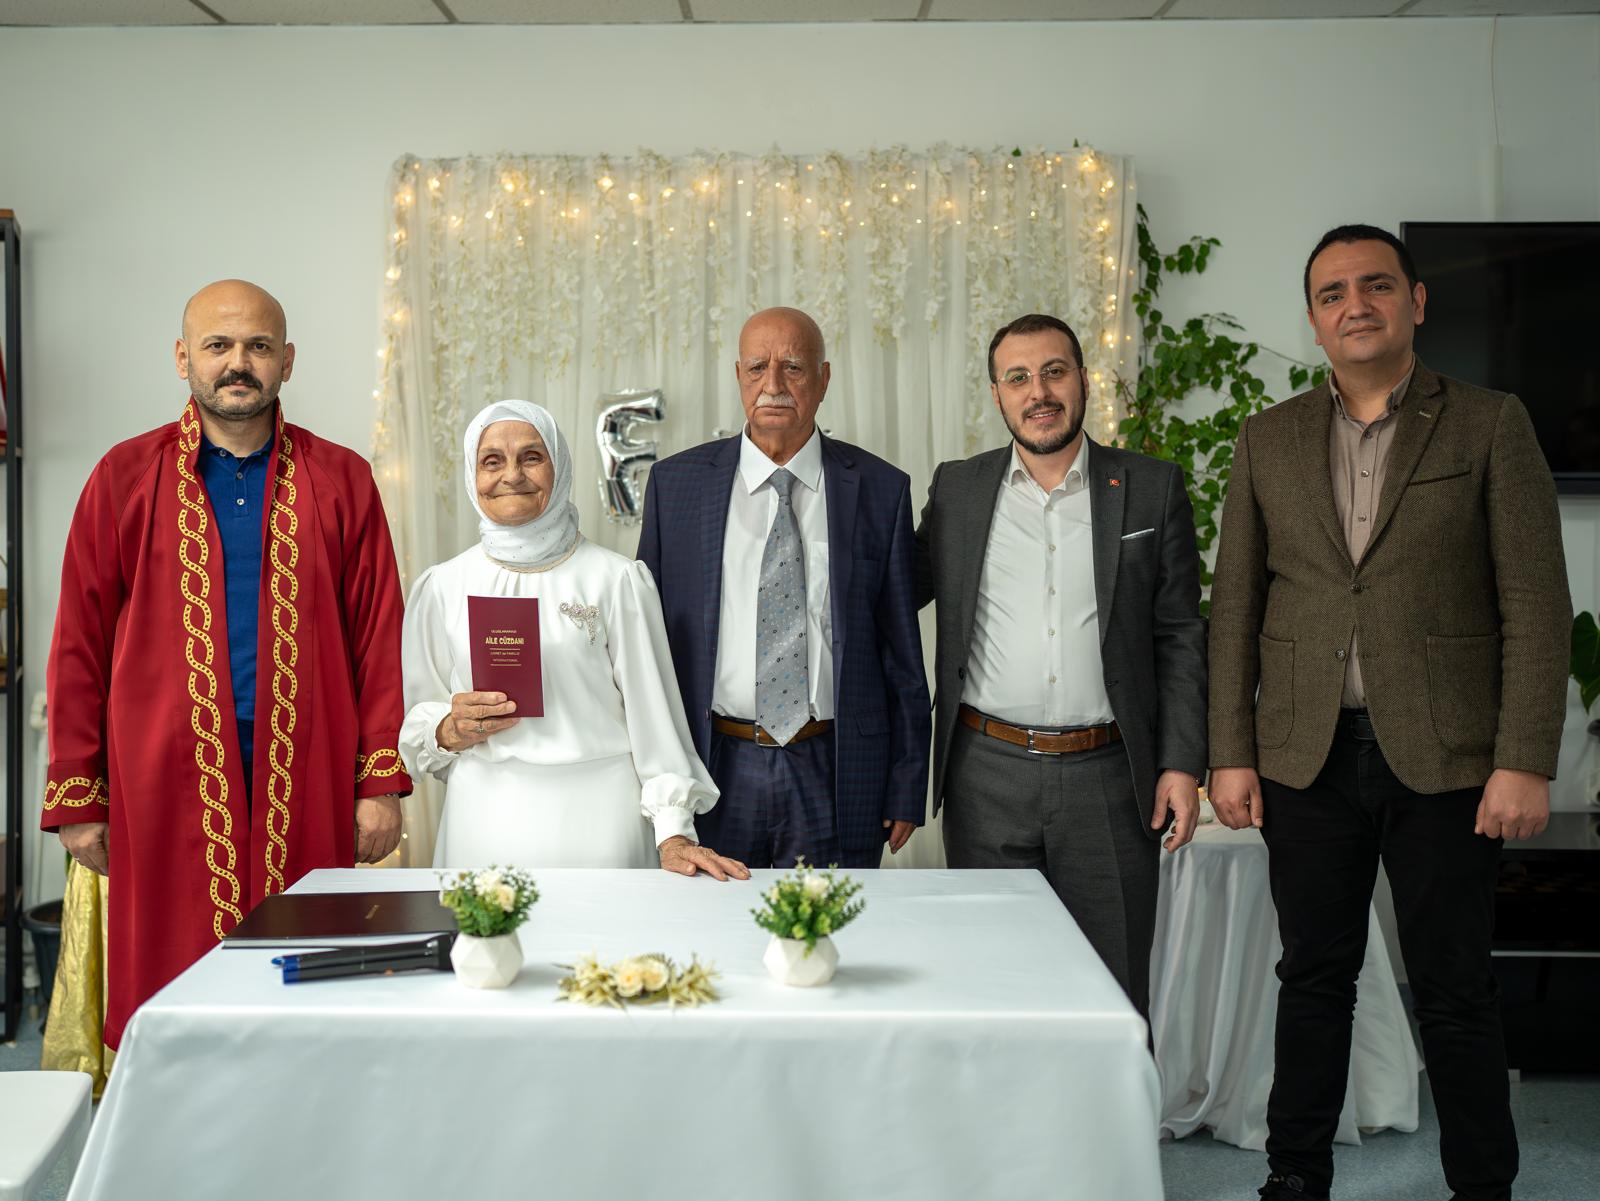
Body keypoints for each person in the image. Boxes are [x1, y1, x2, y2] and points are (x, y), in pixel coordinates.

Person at [1208, 225, 1571, 1201]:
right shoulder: (1267, 436)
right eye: (1332, 293)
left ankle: (1482, 1185)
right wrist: (1229, 750)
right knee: (1312, 976)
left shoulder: (1489, 422)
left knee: (1454, 984)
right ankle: (1295, 1174)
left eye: (1374, 285)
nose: (1354, 305)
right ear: (1314, 319)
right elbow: (1235, 605)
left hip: (1450, 758)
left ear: (1415, 301)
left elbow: (1536, 603)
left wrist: (1523, 757)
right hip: (1305, 755)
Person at [42, 279, 413, 1049]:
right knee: (171, 986)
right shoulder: (123, 476)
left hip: (310, 767)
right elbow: (79, 639)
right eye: (218, 345)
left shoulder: (343, 479)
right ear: (184, 358)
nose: (238, 362)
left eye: (258, 346)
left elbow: (379, 637)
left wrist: (379, 781)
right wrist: (78, 791)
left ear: (287, 361)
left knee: (310, 982)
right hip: (159, 774)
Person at [914, 313, 1206, 1017]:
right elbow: (889, 599)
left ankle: (1116, 1099)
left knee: (1113, 993)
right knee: (992, 990)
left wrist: (1181, 763)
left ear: (1082, 380)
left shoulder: (1151, 487)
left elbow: (1179, 634)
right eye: (1018, 377)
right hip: (985, 775)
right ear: (997, 394)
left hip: (1108, 778)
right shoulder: (958, 490)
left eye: (1053, 372)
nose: (1038, 392)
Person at [401, 400, 748, 880]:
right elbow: (419, 714)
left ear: (559, 466)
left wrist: (674, 832)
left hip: (601, 828)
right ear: (471, 474)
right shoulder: (442, 586)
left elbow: (655, 717)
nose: (512, 476)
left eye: (531, 457)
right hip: (481, 826)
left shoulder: (616, 580)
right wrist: (447, 728)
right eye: (492, 461)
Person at [638, 307, 930, 869]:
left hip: (837, 766)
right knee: (712, 921)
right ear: (738, 376)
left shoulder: (880, 489)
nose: (772, 384)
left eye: (793, 367)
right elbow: (645, 648)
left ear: (824, 378)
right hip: (712, 764)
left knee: (833, 922)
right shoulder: (675, 486)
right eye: (757, 367)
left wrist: (907, 779)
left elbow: (902, 653)